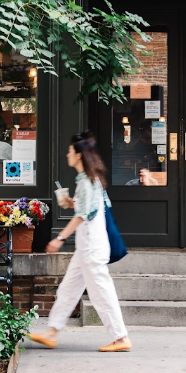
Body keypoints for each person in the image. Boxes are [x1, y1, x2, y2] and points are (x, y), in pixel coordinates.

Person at [30, 131, 131, 353]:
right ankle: (52, 332)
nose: (67, 154)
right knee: (68, 289)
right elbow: (90, 207)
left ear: (78, 154)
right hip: (87, 247)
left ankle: (120, 337)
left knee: (101, 293)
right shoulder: (89, 179)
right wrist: (72, 202)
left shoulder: (87, 181)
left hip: (92, 249)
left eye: (69, 151)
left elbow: (83, 216)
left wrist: (59, 238)